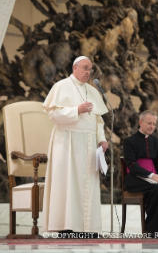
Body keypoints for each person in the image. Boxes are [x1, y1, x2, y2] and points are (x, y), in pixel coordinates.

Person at [42, 56, 108, 235]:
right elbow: (53, 115)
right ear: (75, 68)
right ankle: (68, 226)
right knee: (69, 185)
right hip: (67, 144)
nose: (88, 72)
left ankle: (88, 227)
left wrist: (101, 139)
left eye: (90, 69)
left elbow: (98, 119)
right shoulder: (61, 86)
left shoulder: (93, 91)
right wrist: (76, 110)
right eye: (85, 68)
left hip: (89, 144)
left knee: (89, 186)